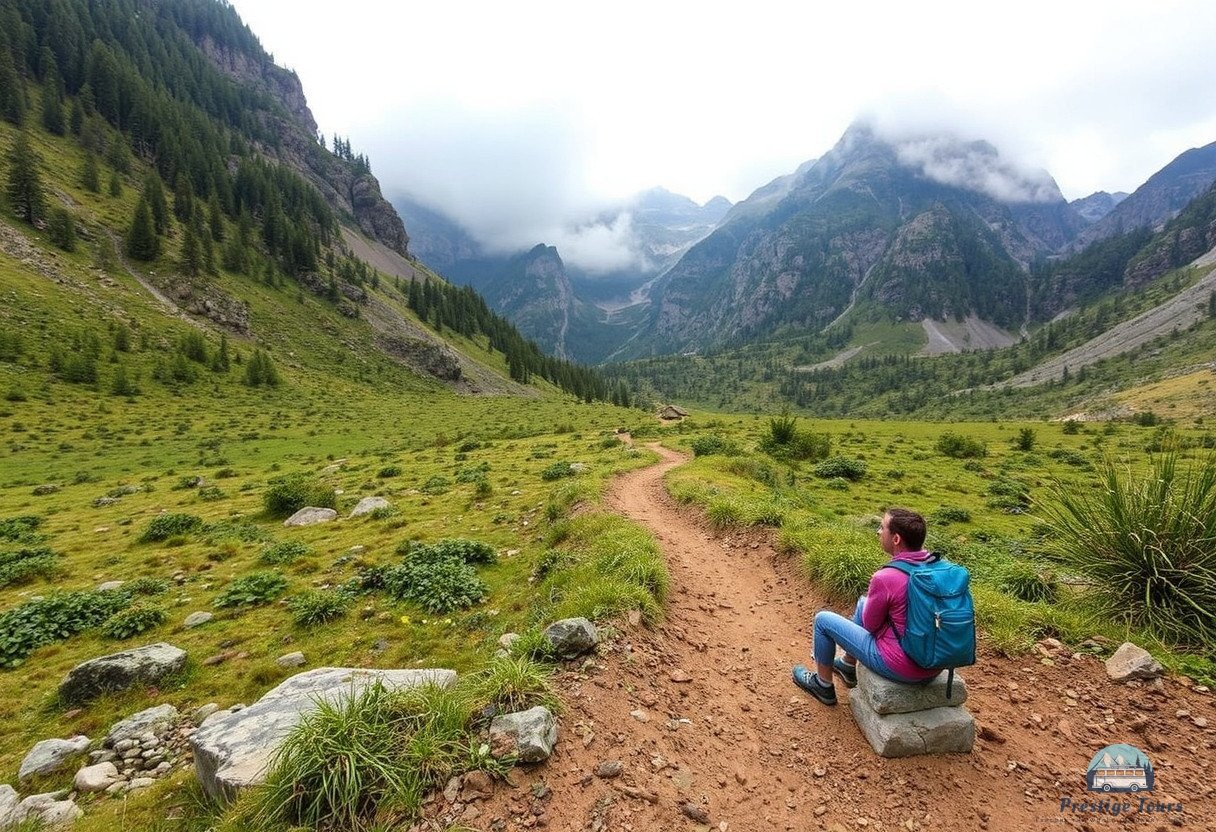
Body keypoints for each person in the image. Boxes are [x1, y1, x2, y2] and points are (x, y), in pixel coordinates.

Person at [792, 507, 940, 705]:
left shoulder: (887, 577)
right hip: (934, 664)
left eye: (882, 527)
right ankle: (847, 665)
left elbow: (870, 626)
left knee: (822, 620)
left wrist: (876, 589)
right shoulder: (936, 567)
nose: (879, 532)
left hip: (902, 667)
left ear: (896, 539)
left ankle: (823, 685)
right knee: (863, 603)